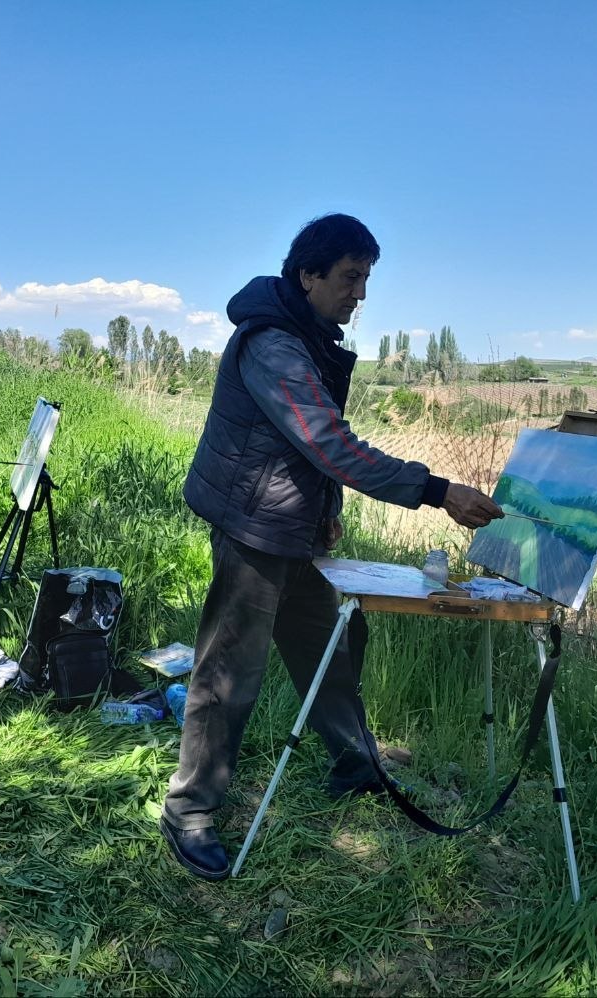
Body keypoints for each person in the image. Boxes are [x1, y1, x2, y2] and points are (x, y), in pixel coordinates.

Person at [160, 214, 503, 880]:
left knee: (333, 646)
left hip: (289, 525)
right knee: (228, 672)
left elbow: (303, 452)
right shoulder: (274, 344)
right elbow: (327, 442)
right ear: (308, 274)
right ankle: (190, 811)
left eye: (367, 278)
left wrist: (323, 511)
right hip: (253, 527)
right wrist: (437, 491)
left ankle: (354, 763)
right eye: (350, 277)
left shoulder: (306, 333)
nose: (361, 294)